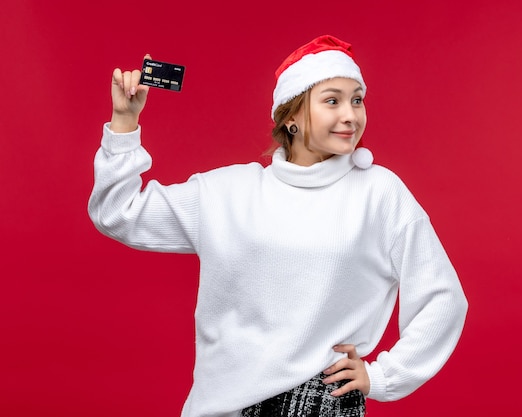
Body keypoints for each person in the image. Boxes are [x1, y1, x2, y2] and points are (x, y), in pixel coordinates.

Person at [88, 35, 468, 417]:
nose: (351, 115)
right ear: (290, 117)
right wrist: (124, 122)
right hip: (219, 406)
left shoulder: (379, 192)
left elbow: (443, 297)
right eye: (332, 100)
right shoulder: (227, 193)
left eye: (357, 99)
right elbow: (118, 213)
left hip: (320, 404)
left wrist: (385, 375)